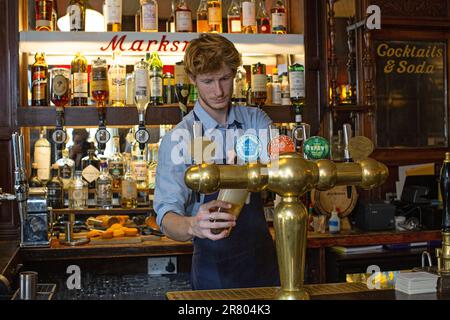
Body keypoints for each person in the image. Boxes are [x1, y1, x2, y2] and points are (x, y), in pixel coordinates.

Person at [154, 34, 280, 290]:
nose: (218, 91)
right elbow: (166, 216)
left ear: (235, 74)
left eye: (224, 78)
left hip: (263, 260)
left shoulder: (255, 121)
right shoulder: (180, 137)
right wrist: (192, 225)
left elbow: (281, 170)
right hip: (214, 269)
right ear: (192, 79)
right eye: (208, 81)